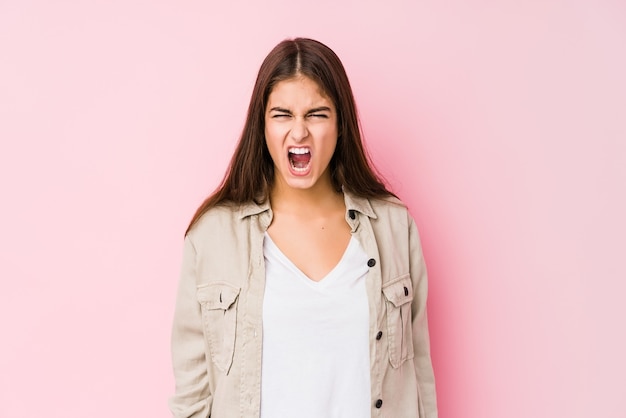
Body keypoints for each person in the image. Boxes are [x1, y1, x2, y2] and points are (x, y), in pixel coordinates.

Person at [169, 37, 437, 418]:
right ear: (261, 126)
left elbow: (418, 379)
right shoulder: (212, 237)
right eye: (282, 114)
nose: (299, 133)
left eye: (317, 114)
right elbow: (192, 399)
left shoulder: (394, 227)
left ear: (341, 124)